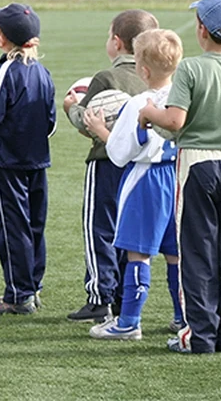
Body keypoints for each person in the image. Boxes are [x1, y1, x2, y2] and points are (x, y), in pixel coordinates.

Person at [139, 0, 221, 354]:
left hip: (198, 162)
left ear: (201, 29)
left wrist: (148, 113)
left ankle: (200, 335)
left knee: (196, 250)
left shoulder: (191, 69)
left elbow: (175, 121)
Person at [82, 28, 185, 340]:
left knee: (137, 253)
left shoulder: (138, 103)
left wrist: (100, 129)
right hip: (177, 178)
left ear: (143, 70)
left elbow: (119, 153)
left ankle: (128, 321)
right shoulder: (182, 99)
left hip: (145, 180)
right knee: (175, 253)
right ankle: (182, 316)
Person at [63, 9, 159, 323]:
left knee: (99, 228)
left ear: (117, 42)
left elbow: (86, 121)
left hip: (106, 162)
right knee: (129, 232)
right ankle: (122, 298)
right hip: (141, 166)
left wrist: (71, 107)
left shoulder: (106, 78)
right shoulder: (154, 79)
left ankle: (99, 297)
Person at [0, 3, 56, 315]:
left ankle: (18, 294)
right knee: (34, 224)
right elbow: (50, 124)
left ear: (2, 38)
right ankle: (33, 286)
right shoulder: (43, 72)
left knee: (11, 226)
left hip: (5, 161)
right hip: (37, 159)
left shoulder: (4, 71)